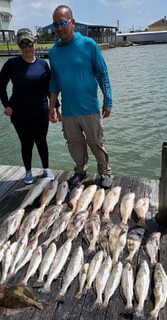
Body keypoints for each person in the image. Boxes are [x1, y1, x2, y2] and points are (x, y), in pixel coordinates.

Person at [48, 5, 113, 189]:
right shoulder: (53, 52)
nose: (59, 28)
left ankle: (105, 171)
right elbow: (54, 82)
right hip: (68, 110)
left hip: (89, 108)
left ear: (72, 22)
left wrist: (108, 100)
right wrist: (52, 107)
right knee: (74, 144)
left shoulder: (88, 44)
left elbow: (103, 73)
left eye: (62, 23)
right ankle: (80, 171)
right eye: (56, 24)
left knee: (95, 142)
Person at [0, 28, 60, 184]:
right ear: (19, 46)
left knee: (41, 141)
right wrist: (6, 105)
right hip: (19, 114)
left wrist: (56, 106)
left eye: (29, 43)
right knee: (26, 143)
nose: (26, 48)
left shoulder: (43, 65)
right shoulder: (11, 64)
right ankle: (28, 172)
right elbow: (0, 85)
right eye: (22, 45)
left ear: (35, 43)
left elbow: (49, 88)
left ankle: (46, 169)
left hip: (41, 111)